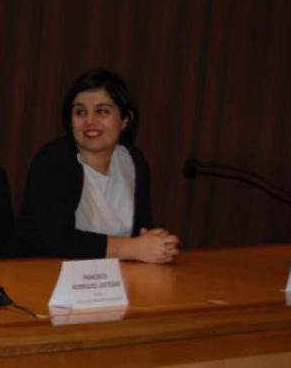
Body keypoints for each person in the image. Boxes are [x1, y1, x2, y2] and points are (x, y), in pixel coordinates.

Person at [15, 69, 179, 263]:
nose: (90, 121)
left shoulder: (133, 160)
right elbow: (58, 241)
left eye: (102, 111)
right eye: (80, 112)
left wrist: (159, 243)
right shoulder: (52, 161)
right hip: (49, 276)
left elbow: (142, 229)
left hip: (119, 277)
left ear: (125, 120)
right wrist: (133, 248)